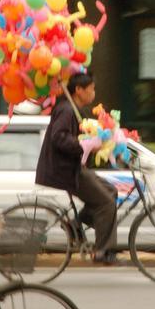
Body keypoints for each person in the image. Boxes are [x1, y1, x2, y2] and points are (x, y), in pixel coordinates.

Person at [36, 72, 121, 265]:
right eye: (90, 89)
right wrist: (83, 145)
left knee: (111, 191)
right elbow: (59, 137)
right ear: (78, 90)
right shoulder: (66, 109)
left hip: (73, 167)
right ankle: (103, 252)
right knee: (106, 203)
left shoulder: (75, 109)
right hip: (64, 170)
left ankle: (75, 225)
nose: (93, 93)